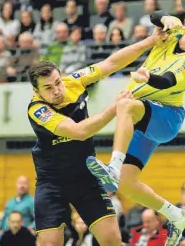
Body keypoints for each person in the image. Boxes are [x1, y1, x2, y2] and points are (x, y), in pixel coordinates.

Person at [86, 7, 185, 246]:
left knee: (126, 106)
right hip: (146, 117)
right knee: (127, 185)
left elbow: (168, 81)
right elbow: (154, 16)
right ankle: (177, 215)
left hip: (167, 117)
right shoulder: (175, 28)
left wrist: (146, 78)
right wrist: (163, 20)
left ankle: (112, 166)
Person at [26, 31, 164, 246]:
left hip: (86, 177)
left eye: (57, 83)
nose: (57, 91)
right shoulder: (38, 110)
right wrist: (115, 108)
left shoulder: (73, 82)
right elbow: (80, 131)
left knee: (112, 240)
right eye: (48, 88)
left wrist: (152, 41)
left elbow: (111, 63)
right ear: (36, 91)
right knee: (50, 244)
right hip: (53, 183)